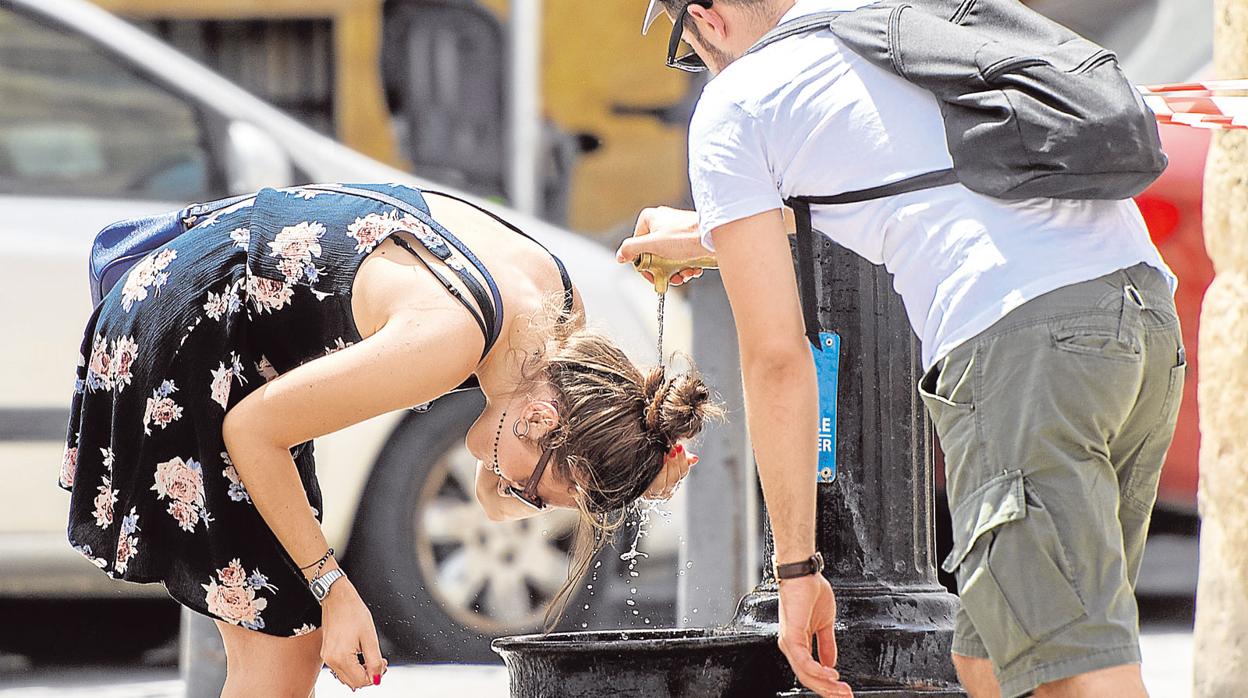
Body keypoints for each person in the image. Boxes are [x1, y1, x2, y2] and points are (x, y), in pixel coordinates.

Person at [618, 2, 1184, 697]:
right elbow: (906, 179)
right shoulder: (888, 20)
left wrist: (795, 570)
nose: (700, 61)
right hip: (1139, 317)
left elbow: (777, 359)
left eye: (687, 45)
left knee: (1073, 670)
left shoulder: (736, 102)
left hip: (1023, 342)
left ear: (707, 16)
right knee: (993, 662)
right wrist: (711, 234)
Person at [60, 182, 713, 695]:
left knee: (278, 638)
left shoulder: (555, 315)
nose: (517, 503)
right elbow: (252, 431)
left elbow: (499, 479)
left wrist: (638, 456)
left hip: (236, 333)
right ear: (542, 421)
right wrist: (335, 590)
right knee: (286, 648)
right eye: (537, 497)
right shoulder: (448, 337)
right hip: (191, 335)